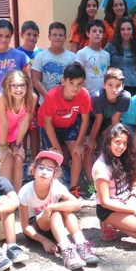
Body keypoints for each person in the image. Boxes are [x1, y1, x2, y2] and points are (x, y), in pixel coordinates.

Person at [18, 150, 98, 270]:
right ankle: (67, 250)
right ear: (34, 170)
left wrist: (51, 207)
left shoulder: (56, 186)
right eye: (41, 167)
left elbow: (77, 203)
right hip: (37, 231)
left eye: (50, 169)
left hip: (56, 227)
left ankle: (81, 244)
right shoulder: (25, 191)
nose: (44, 172)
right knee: (56, 213)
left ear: (55, 174)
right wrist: (44, 241)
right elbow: (25, 227)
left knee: (67, 213)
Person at [37, 63, 92, 198]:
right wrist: (56, 147)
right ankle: (50, 189)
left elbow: (85, 120)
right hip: (49, 127)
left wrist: (79, 144)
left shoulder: (84, 95)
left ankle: (74, 188)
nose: (75, 87)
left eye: (79, 84)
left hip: (69, 126)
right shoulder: (52, 96)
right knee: (53, 156)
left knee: (77, 153)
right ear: (63, 81)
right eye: (71, 83)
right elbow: (47, 123)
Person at [0, 70, 37, 191]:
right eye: (14, 85)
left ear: (27, 86)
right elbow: (3, 123)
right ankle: (4, 195)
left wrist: (18, 145)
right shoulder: (1, 97)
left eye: (22, 85)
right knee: (6, 158)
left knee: (18, 157)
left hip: (13, 129)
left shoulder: (32, 98)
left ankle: (17, 197)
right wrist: (3, 147)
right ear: (8, 86)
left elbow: (25, 123)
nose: (19, 89)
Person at [87, 68, 131, 154]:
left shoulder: (125, 97)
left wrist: (117, 138)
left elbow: (115, 119)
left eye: (118, 86)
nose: (114, 89)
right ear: (104, 85)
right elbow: (98, 119)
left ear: (123, 86)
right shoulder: (98, 97)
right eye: (110, 85)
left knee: (108, 142)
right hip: (91, 118)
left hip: (107, 118)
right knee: (89, 146)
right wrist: (91, 139)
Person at [32, 22, 77, 105]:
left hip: (66, 103)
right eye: (54, 34)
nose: (58, 37)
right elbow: (35, 80)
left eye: (61, 35)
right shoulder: (40, 56)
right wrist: (49, 97)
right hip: (46, 103)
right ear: (49, 37)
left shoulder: (73, 57)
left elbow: (75, 80)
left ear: (65, 38)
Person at [16, 20, 42, 157]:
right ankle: (22, 159)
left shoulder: (41, 53)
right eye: (29, 34)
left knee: (34, 130)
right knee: (22, 130)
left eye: (35, 35)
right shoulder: (16, 53)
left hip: (37, 98)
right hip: (20, 98)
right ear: (22, 35)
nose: (32, 37)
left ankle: (35, 161)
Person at [105, 16, 136, 96]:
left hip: (135, 87)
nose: (126, 32)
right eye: (122, 29)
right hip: (115, 88)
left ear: (133, 30)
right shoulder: (110, 47)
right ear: (118, 31)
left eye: (129, 29)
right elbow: (105, 68)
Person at [75, 19, 111, 95]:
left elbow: (107, 75)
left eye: (100, 31)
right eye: (94, 31)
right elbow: (77, 75)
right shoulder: (82, 53)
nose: (97, 34)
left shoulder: (106, 55)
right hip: (87, 94)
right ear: (88, 34)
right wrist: (84, 91)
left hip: (103, 95)